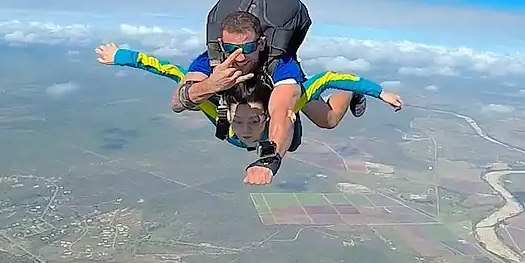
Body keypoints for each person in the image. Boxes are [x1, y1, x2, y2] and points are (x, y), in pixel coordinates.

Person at [95, 43, 403, 184]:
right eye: (239, 121)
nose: (243, 128)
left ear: (267, 117)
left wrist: (379, 91)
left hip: (292, 98)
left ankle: (351, 98)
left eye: (253, 121)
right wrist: (121, 56)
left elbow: (331, 77)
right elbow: (172, 72)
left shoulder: (282, 109)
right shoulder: (219, 109)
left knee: (329, 120)